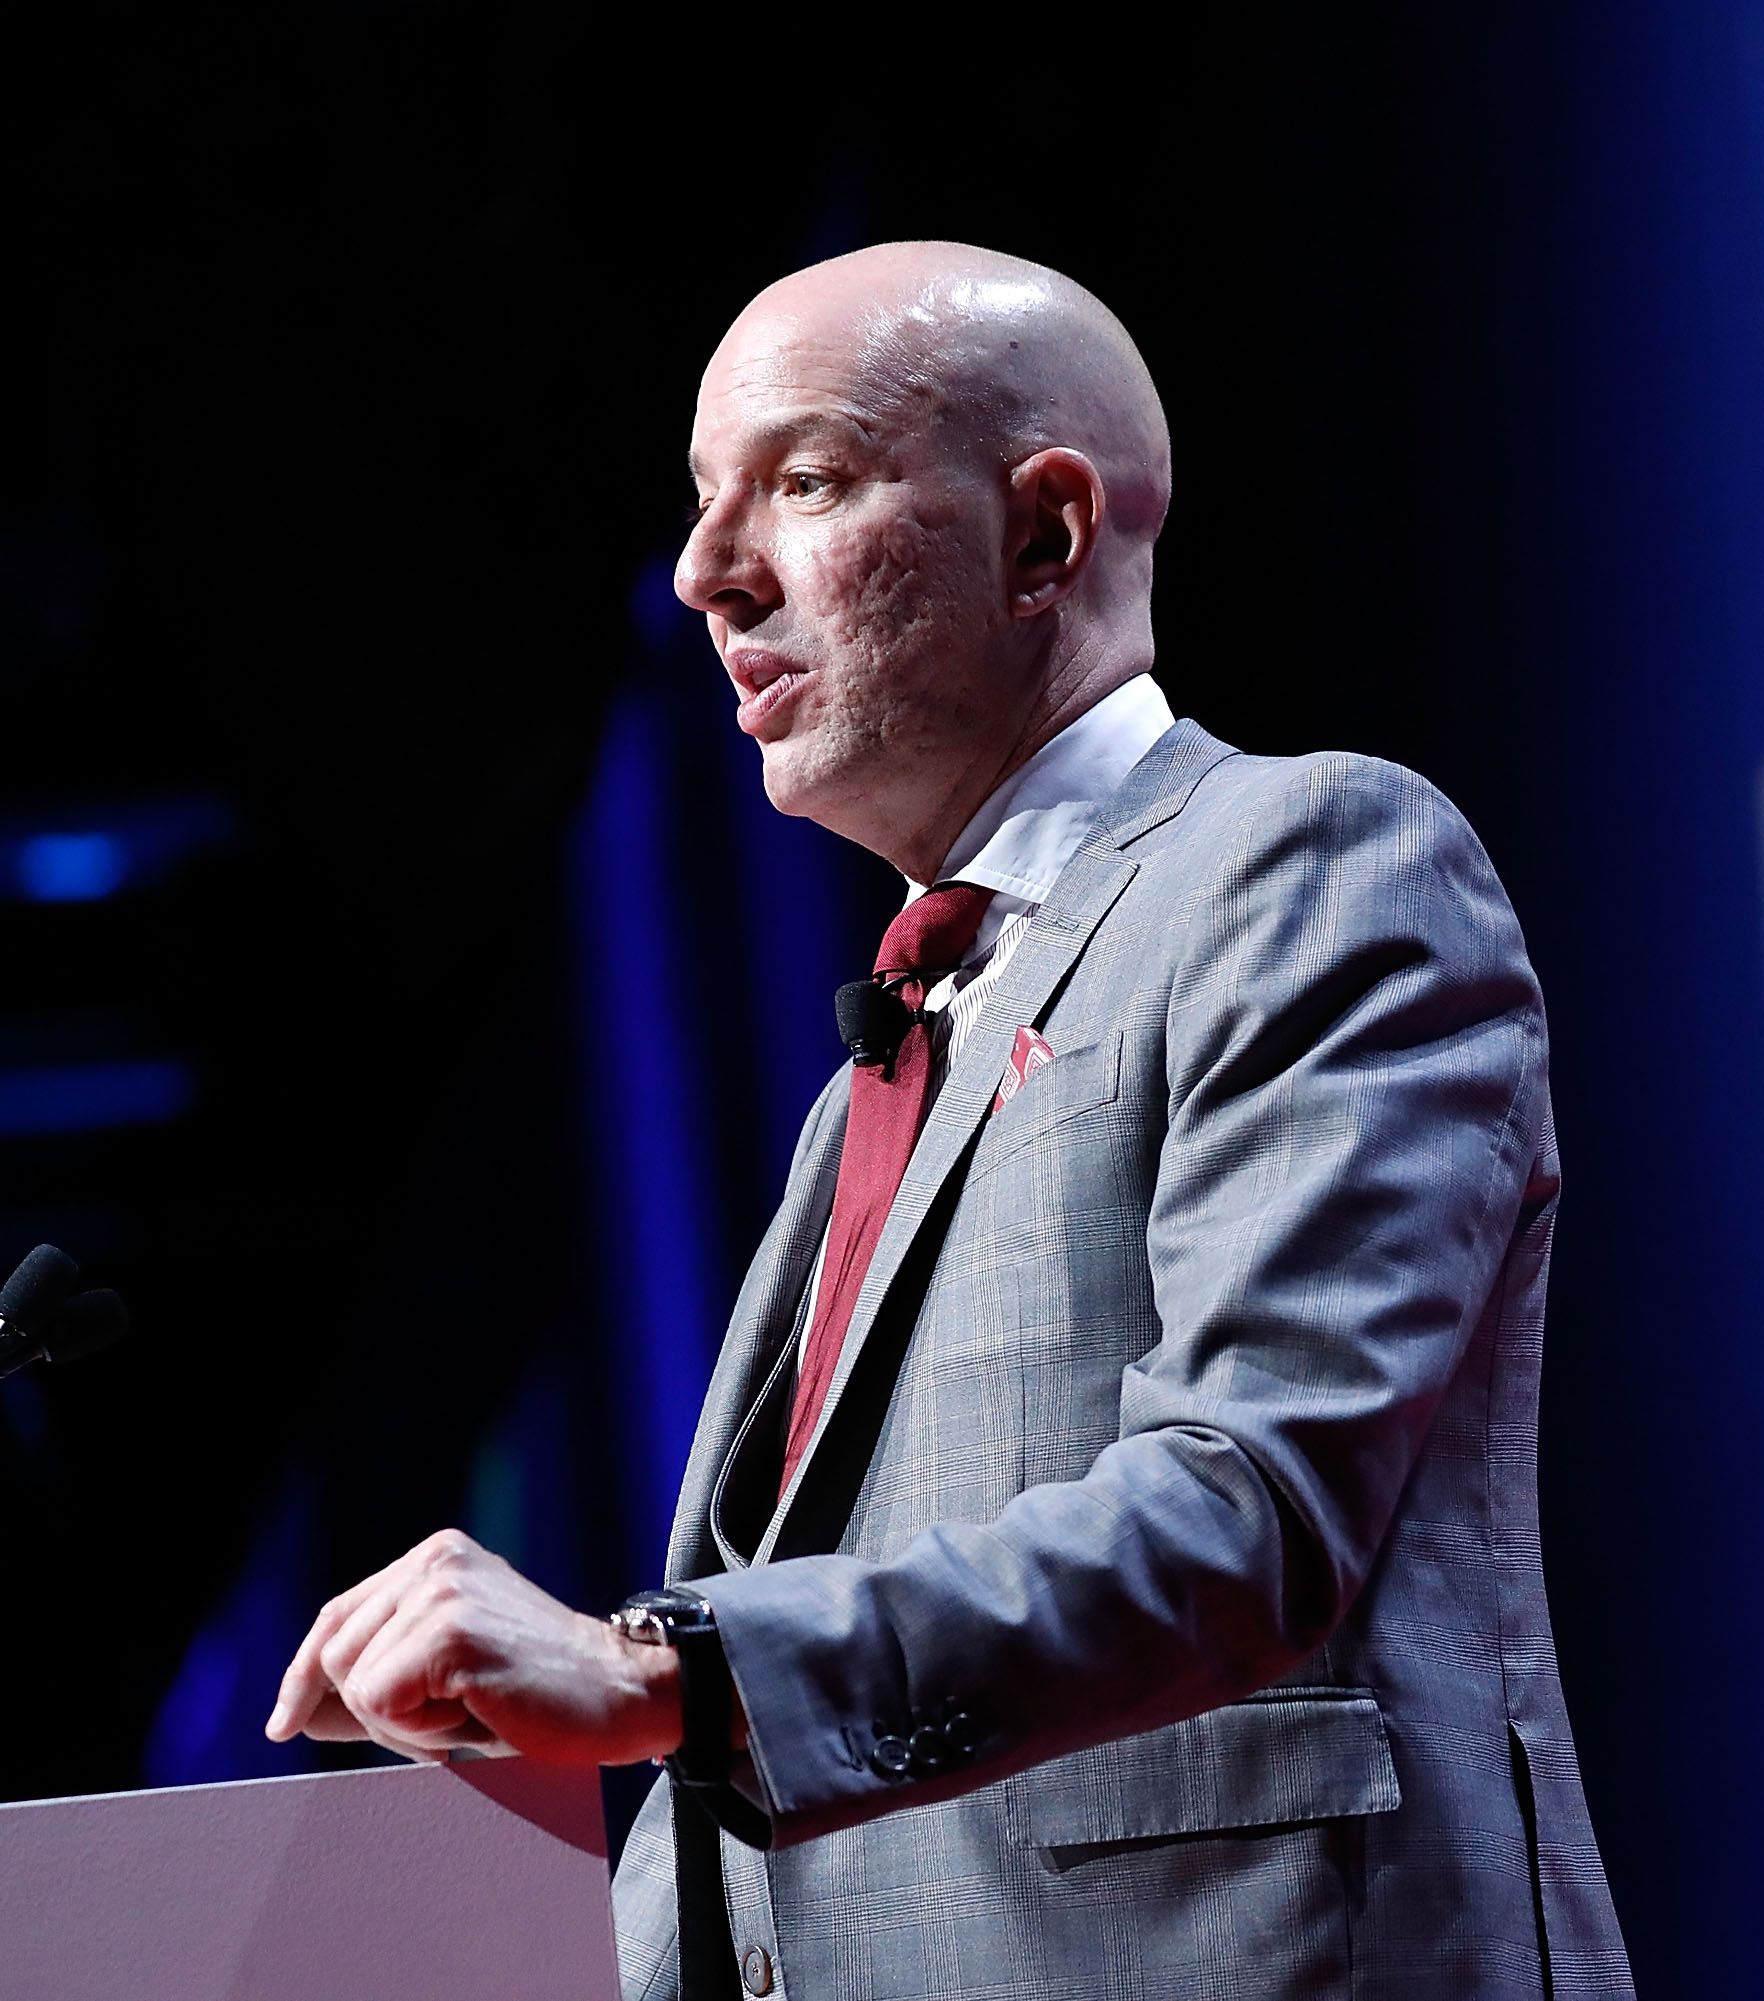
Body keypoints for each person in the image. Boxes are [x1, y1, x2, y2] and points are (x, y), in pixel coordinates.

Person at [265, 241, 1630, 2000]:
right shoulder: (862, 1097)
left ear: (1046, 533)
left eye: (806, 482)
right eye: (700, 505)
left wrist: (666, 1666)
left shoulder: (1311, 862)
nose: (703, 574)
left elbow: (1249, 1509)